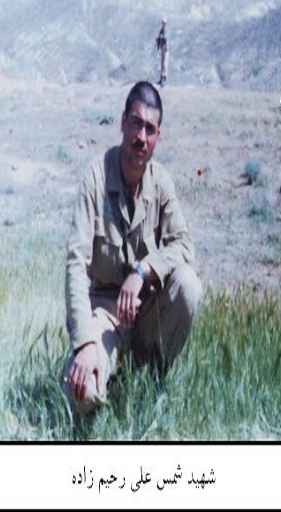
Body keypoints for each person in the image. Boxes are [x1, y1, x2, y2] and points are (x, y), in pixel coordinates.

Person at [63, 81, 202, 414]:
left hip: (145, 315)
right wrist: (84, 343)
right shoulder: (95, 178)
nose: (141, 136)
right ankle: (103, 377)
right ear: (123, 121)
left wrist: (143, 270)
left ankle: (152, 378)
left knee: (188, 285)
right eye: (136, 123)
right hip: (105, 316)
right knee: (80, 393)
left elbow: (183, 244)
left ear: (157, 136)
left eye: (150, 129)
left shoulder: (161, 182)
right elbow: (75, 264)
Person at [156, 17, 169, 87]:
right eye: (162, 23)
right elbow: (158, 38)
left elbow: (166, 40)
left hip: (165, 49)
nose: (163, 24)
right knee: (161, 64)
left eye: (164, 23)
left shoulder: (166, 31)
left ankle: (164, 79)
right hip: (162, 49)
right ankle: (161, 78)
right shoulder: (161, 31)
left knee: (164, 64)